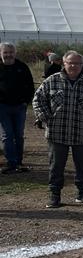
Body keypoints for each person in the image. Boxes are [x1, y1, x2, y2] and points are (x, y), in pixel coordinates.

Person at [32, 51, 83, 207]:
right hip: (57, 132)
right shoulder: (52, 81)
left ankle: (82, 193)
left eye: (77, 63)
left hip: (82, 132)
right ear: (64, 63)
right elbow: (38, 100)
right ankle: (54, 195)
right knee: (56, 166)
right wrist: (46, 118)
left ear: (82, 65)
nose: (73, 66)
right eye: (70, 63)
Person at [0, 42, 35, 173]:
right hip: (2, 107)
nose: (8, 55)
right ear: (0, 53)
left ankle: (19, 162)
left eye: (11, 52)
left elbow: (30, 85)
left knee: (19, 135)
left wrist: (26, 101)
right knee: (7, 135)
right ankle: (11, 163)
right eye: (5, 52)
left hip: (20, 106)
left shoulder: (22, 67)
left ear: (15, 53)